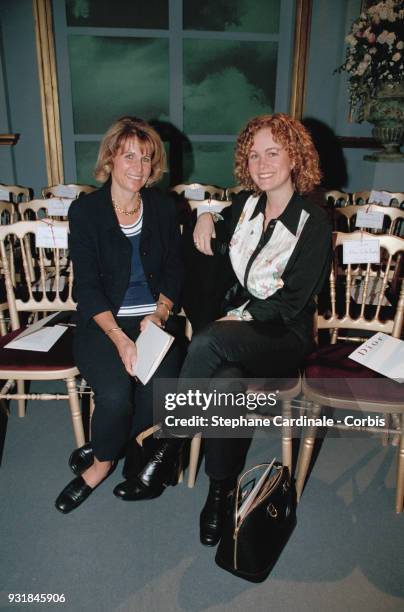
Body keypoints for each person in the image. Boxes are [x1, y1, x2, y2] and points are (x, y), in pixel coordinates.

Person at [113, 113, 332, 546]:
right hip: (239, 336)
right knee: (226, 381)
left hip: (282, 335)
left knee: (211, 339)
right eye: (254, 155)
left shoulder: (314, 222)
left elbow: (291, 304)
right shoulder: (248, 206)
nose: (262, 163)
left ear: (295, 157)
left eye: (273, 152)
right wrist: (208, 216)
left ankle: (168, 444)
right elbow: (215, 228)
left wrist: (240, 317)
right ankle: (219, 494)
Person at [55, 116, 183, 514]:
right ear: (111, 157)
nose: (138, 167)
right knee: (113, 397)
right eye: (129, 155)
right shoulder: (86, 212)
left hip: (154, 323)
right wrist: (120, 337)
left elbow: (177, 270)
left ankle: (113, 441)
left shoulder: (163, 208)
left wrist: (159, 314)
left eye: (146, 159)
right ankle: (102, 462)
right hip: (103, 323)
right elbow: (87, 287)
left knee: (156, 392)